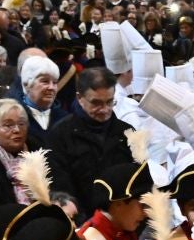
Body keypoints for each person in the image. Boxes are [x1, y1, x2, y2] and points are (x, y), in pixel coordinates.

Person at [46, 69, 133, 215]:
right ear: (79, 98)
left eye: (110, 102)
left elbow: (138, 184)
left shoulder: (128, 133)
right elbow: (60, 188)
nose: (104, 110)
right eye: (96, 103)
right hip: (82, 223)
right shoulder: (60, 135)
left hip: (123, 219)